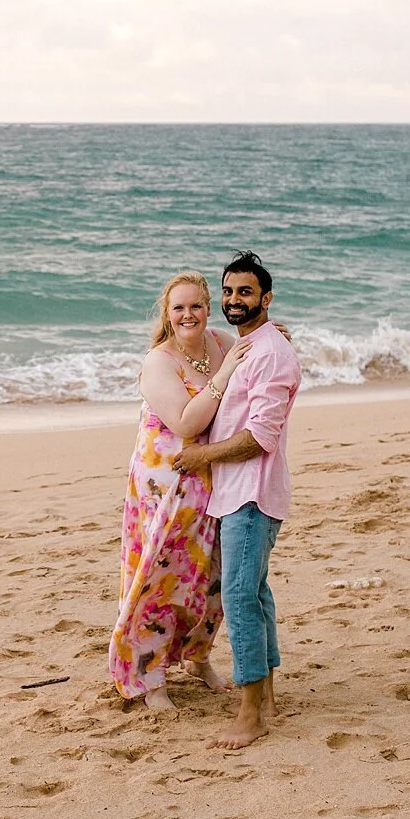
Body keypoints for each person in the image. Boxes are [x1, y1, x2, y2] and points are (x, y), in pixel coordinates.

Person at [172, 250, 301, 748]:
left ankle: (250, 716)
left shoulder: (269, 352)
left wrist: (201, 457)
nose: (233, 300)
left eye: (244, 292)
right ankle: (266, 697)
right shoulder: (251, 345)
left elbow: (261, 437)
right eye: (227, 292)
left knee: (240, 598)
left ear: (265, 298)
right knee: (257, 593)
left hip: (251, 492)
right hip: (239, 492)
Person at [108, 271, 252, 710]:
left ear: (208, 308)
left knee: (209, 577)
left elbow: (254, 366)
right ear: (167, 314)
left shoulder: (221, 342)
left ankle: (198, 657)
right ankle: (150, 678)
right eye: (179, 308)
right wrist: (226, 372)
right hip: (165, 482)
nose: (188, 314)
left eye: (196, 306)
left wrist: (269, 334)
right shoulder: (160, 361)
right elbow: (186, 423)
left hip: (212, 474)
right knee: (161, 578)